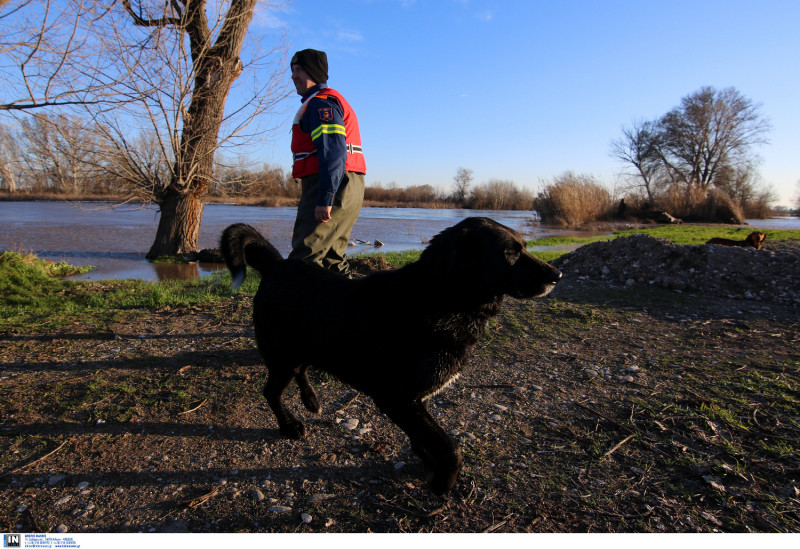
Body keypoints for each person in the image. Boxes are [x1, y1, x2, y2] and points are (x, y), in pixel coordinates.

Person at [287, 49, 366, 275]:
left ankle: (296, 310)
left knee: (305, 259)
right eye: (292, 70)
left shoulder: (320, 104)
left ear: (313, 72)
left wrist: (325, 197)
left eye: (299, 69)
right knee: (332, 259)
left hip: (331, 183)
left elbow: (333, 151)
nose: (294, 76)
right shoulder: (327, 100)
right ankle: (351, 309)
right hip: (348, 183)